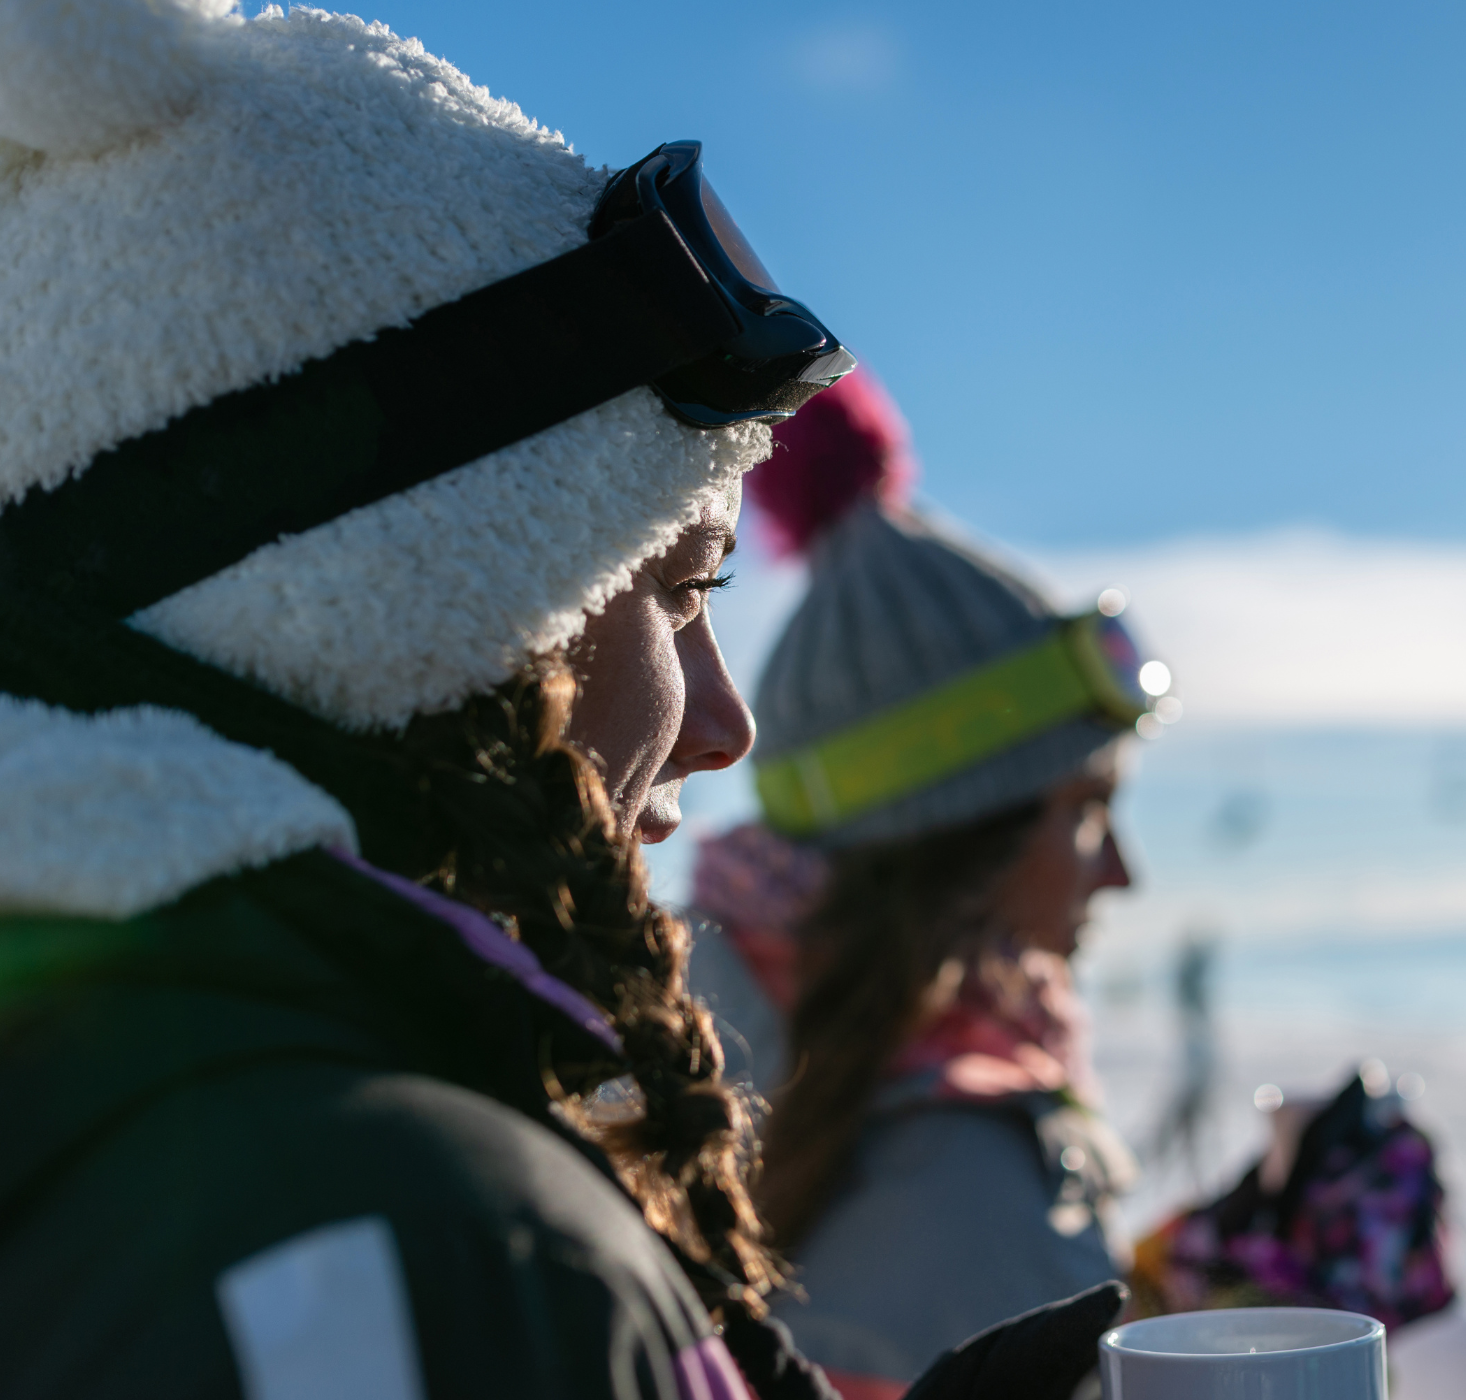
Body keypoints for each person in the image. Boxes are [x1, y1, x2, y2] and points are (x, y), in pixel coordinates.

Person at [0, 5, 1121, 1397]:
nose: (727, 726)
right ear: (395, 601)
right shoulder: (399, 1234)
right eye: (679, 591)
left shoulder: (216, 1141)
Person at [686, 369, 1159, 1398]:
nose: (1121, 872)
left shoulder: (687, 1051)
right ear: (959, 841)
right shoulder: (963, 1183)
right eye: (1083, 810)